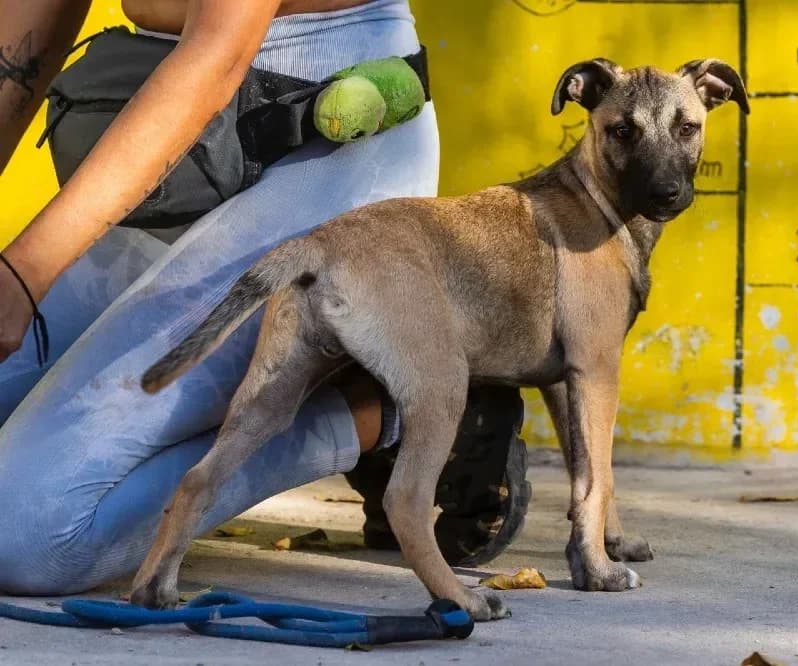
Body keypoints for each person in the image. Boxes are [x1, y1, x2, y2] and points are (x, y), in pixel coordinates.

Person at [0, 0, 529, 595]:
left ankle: (380, 408)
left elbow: (218, 53)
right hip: (179, 165)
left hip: (326, 153)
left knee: (25, 533)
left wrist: (24, 272)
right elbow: (27, 30)